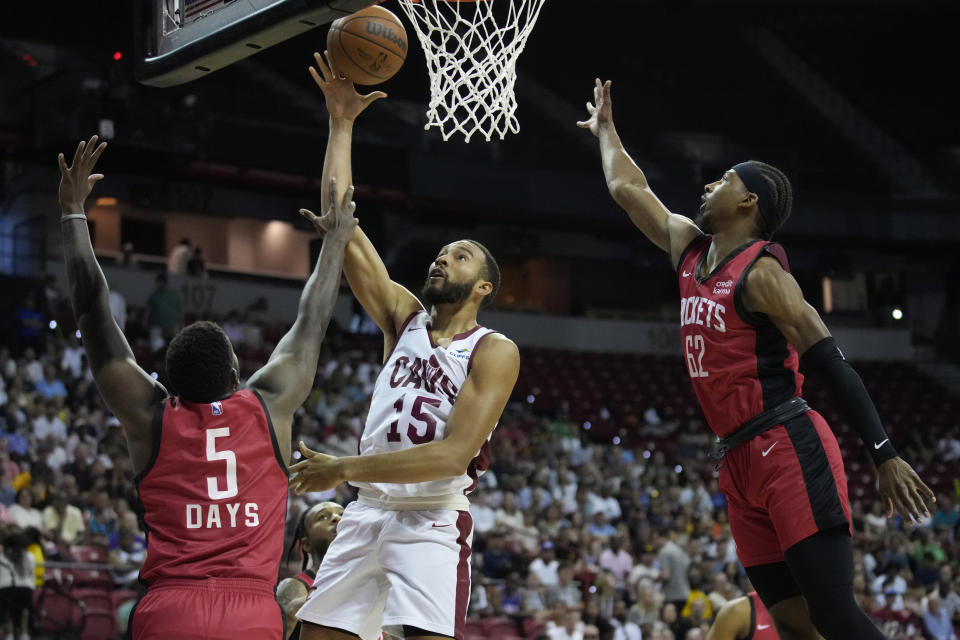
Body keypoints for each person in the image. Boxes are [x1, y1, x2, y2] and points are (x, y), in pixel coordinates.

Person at [579, 78, 934, 640]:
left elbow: (828, 357)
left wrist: (884, 453)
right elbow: (629, 188)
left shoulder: (764, 274)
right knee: (793, 622)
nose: (709, 183)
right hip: (737, 460)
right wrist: (607, 133)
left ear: (748, 202)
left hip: (787, 445)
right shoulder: (691, 250)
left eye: (724, 179)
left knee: (835, 614)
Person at [57, 134, 356, 640]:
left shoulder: (148, 415)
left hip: (170, 608)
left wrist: (72, 213)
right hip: (251, 610)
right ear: (237, 374)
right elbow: (312, 321)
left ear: (166, 382)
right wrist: (333, 243)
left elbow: (91, 308)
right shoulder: (270, 403)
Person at [288, 52, 520, 640]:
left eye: (461, 255)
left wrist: (342, 466)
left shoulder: (494, 349)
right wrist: (341, 124)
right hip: (366, 511)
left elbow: (450, 456)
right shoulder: (404, 318)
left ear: (484, 286)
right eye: (442, 251)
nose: (443, 257)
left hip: (431, 519)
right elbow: (342, 223)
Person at [277, 502, 345, 640]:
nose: (337, 518)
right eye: (323, 517)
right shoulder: (296, 586)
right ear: (306, 544)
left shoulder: (374, 583)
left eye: (343, 514)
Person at [0, 531, 36, 640]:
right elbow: (31, 572)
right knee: (24, 610)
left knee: (8, 611)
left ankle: (10, 634)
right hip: (25, 588)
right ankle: (24, 633)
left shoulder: (2, 556)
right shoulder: (29, 556)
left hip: (6, 588)